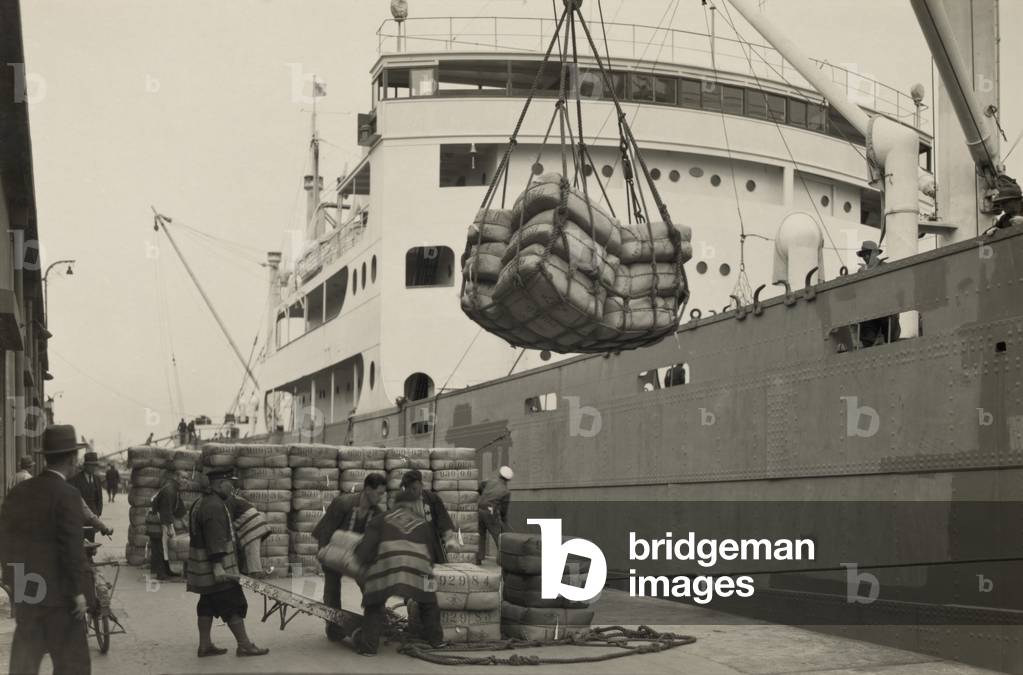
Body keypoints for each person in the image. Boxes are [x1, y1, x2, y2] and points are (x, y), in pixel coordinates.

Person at [0, 424, 90, 675]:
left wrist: (14, 584)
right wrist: (77, 592)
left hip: (28, 597)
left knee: (24, 668)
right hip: (61, 601)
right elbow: (71, 548)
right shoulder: (68, 495)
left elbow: (5, 542)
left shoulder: (18, 493)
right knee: (73, 667)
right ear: (72, 459)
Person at [187, 467, 268, 658]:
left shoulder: (201, 502)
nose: (232, 487)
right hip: (217, 568)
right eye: (229, 483)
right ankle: (245, 645)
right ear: (220, 484)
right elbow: (215, 538)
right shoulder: (214, 506)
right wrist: (217, 566)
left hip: (202, 568)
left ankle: (205, 645)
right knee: (233, 604)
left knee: (207, 604)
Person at [352, 491, 445, 656]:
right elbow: (432, 552)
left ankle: (369, 648)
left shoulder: (379, 520)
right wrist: (428, 571)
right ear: (412, 505)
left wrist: (361, 562)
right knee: (430, 602)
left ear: (394, 504)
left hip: (388, 569)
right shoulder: (423, 523)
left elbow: (366, 550)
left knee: (374, 602)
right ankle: (436, 641)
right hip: (420, 570)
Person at [311, 472, 387, 642]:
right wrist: (322, 556)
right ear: (368, 489)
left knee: (369, 583)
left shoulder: (377, 513)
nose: (381, 498)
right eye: (379, 493)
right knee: (332, 587)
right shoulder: (343, 503)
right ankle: (333, 626)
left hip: (356, 552)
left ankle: (378, 620)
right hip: (333, 548)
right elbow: (326, 530)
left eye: (383, 494)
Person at [399, 469, 456, 563]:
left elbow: (443, 519)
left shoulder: (432, 498)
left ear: (421, 485)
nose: (411, 492)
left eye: (414, 488)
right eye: (408, 489)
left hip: (433, 545)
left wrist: (449, 539)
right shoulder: (402, 501)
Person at [149, 472, 185, 581]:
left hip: (163, 520)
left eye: (187, 478)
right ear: (177, 477)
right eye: (183, 477)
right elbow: (166, 510)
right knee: (161, 546)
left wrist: (183, 520)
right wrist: (169, 527)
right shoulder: (170, 490)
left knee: (165, 546)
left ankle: (166, 569)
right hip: (158, 521)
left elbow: (179, 507)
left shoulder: (174, 488)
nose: (186, 480)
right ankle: (161, 572)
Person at [476, 466, 513, 565]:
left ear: (499, 474)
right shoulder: (506, 491)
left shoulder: (489, 482)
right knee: (498, 535)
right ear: (509, 479)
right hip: (490, 512)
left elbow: (479, 486)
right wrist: (504, 521)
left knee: (480, 534)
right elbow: (503, 510)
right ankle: (503, 559)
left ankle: (478, 558)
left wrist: (483, 495)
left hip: (479, 509)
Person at [69, 451, 103, 542]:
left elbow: (99, 499)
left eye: (95, 465)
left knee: (91, 543)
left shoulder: (97, 479)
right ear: (85, 465)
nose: (93, 468)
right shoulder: (74, 480)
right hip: (79, 518)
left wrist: (98, 513)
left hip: (93, 518)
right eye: (91, 465)